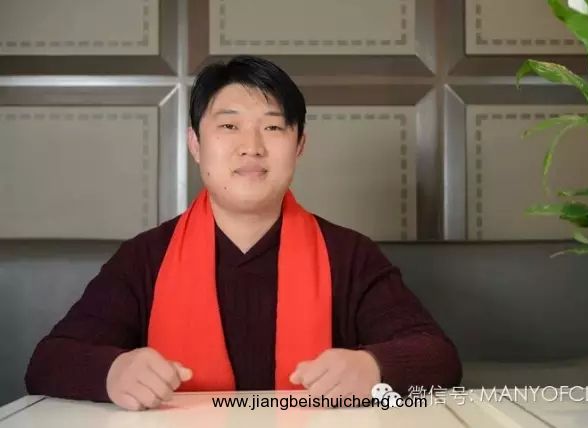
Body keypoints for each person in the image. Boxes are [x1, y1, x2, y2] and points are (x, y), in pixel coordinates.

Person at [25, 55, 462, 411]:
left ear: (299, 145)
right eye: (229, 126)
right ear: (195, 144)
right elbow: (48, 361)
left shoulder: (349, 255)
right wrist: (113, 371)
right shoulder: (145, 258)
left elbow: (438, 357)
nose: (252, 146)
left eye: (272, 127)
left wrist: (374, 367)